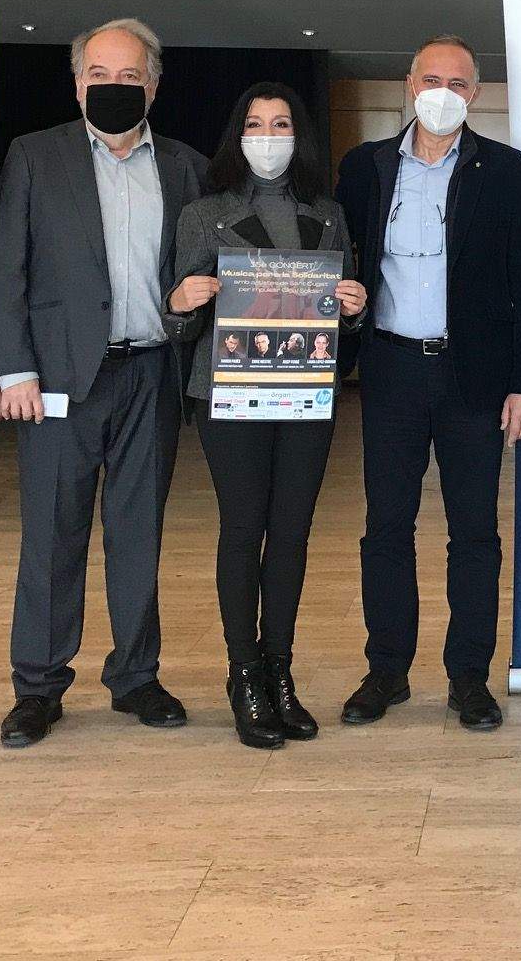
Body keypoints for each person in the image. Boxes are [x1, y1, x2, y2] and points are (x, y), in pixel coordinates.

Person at [0, 18, 207, 749]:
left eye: (130, 76)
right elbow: (4, 270)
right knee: (52, 533)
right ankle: (39, 686)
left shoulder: (186, 167)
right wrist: (13, 368)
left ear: (155, 83)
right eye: (100, 75)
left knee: (139, 532)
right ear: (77, 82)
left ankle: (136, 676)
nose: (116, 87)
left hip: (151, 373)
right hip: (58, 381)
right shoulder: (34, 157)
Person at [336, 35, 521, 732]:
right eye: (432, 78)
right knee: (386, 527)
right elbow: (341, 261)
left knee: (474, 533)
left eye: (458, 84)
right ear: (408, 83)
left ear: (475, 96)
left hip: (474, 375)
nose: (443, 93)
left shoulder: (506, 171)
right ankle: (387, 670)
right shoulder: (364, 168)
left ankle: (469, 678)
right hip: (391, 369)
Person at [165, 83, 365, 748]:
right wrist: (184, 299)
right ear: (238, 135)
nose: (268, 134)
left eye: (281, 123)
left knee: (293, 531)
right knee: (244, 525)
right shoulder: (203, 213)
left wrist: (355, 301)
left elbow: (346, 314)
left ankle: (280, 668)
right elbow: (179, 322)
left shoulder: (329, 214)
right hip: (228, 393)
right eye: (255, 123)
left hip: (306, 393)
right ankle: (243, 671)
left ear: (298, 136)